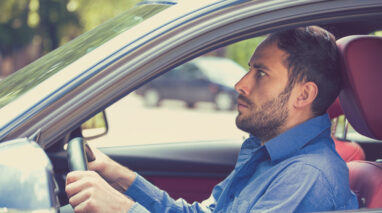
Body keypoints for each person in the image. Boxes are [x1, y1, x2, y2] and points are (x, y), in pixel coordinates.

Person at [65, 26, 359, 213]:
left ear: (303, 95)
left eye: (261, 73)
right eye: (249, 69)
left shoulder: (307, 178)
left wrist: (121, 209)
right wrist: (118, 175)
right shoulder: (266, 153)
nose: (240, 84)